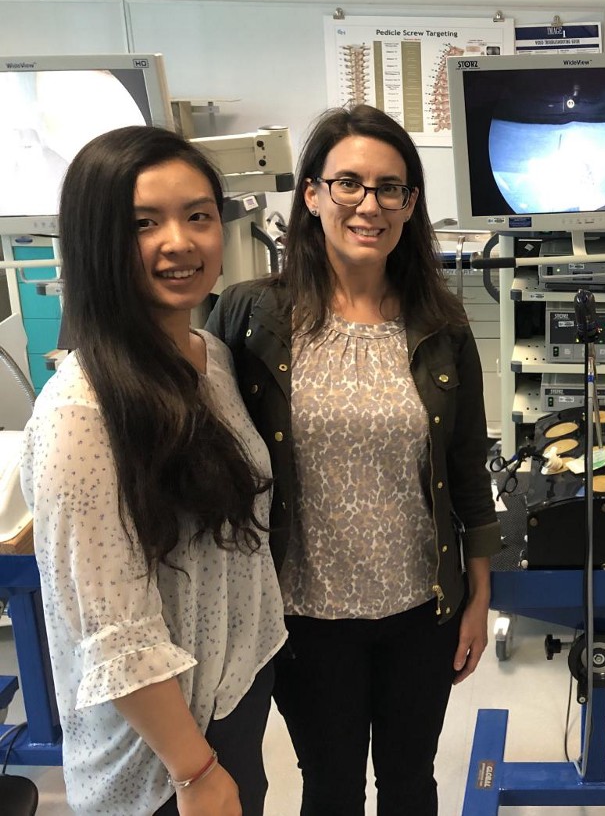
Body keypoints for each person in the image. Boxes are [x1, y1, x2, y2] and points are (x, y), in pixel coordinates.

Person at [207, 104, 500, 815]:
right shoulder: (252, 317)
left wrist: (478, 595)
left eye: (390, 188)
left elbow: (466, 466)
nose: (369, 205)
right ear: (311, 195)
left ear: (410, 204)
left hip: (420, 611)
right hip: (305, 615)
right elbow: (204, 449)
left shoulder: (440, 322)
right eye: (348, 184)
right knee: (331, 786)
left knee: (409, 783)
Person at [21, 125, 285, 815]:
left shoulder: (212, 359)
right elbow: (115, 633)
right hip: (160, 755)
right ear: (97, 241)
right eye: (145, 223)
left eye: (198, 216)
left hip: (229, 696)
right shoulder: (81, 413)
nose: (181, 241)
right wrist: (194, 772)